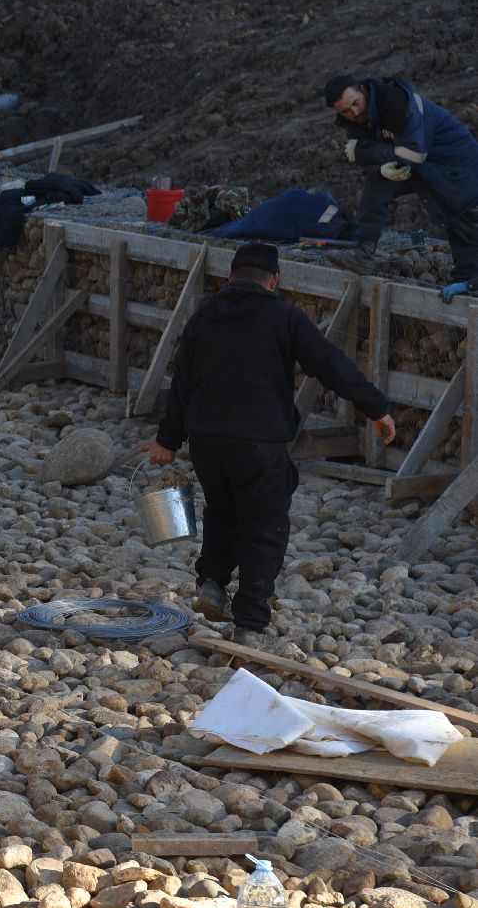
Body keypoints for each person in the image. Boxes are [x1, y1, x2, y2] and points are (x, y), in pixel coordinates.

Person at [145, 242, 395, 643]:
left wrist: (167, 440)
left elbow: (182, 385)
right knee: (265, 528)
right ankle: (249, 624)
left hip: (208, 442)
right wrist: (376, 407)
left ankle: (211, 581)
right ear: (273, 280)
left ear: (230, 277)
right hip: (260, 443)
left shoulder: (203, 317)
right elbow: (330, 364)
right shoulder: (284, 317)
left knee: (222, 511)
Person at [323, 73, 478, 300]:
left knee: (460, 219)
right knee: (377, 182)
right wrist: (380, 168)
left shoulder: (397, 101)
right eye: (346, 111)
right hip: (422, 165)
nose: (354, 113)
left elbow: (414, 154)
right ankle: (363, 253)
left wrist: (363, 152)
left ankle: (468, 286)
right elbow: (372, 163)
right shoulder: (356, 121)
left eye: (355, 103)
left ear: (363, 90)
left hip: (457, 164)